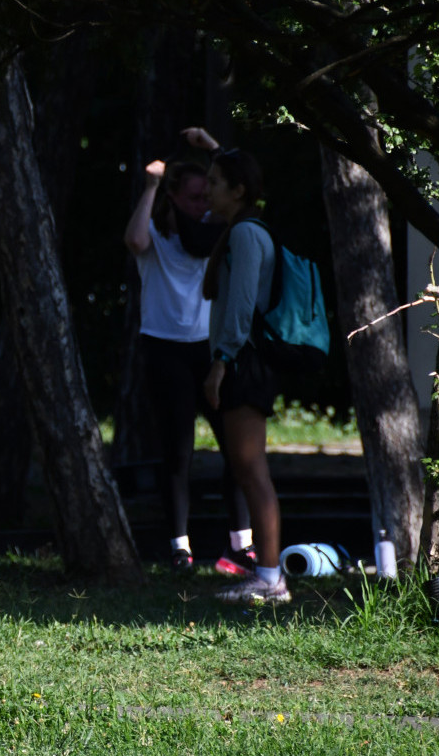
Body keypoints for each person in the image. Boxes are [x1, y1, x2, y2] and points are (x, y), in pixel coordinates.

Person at [121, 134, 255, 576]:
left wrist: (215, 146)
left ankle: (241, 545)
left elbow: (238, 189)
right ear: (175, 196)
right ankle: (180, 547)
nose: (203, 203)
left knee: (234, 447)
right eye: (194, 197)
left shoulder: (217, 235)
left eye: (206, 195)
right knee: (177, 453)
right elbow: (134, 240)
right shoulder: (159, 235)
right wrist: (151, 186)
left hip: (209, 351)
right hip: (164, 351)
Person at [200, 145, 289, 605]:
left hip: (244, 362)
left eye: (215, 182)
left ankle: (270, 578)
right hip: (242, 359)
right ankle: (267, 574)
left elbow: (239, 309)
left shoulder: (246, 236)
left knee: (252, 471)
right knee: (245, 468)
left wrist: (220, 363)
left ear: (237, 190)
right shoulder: (239, 231)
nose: (207, 190)